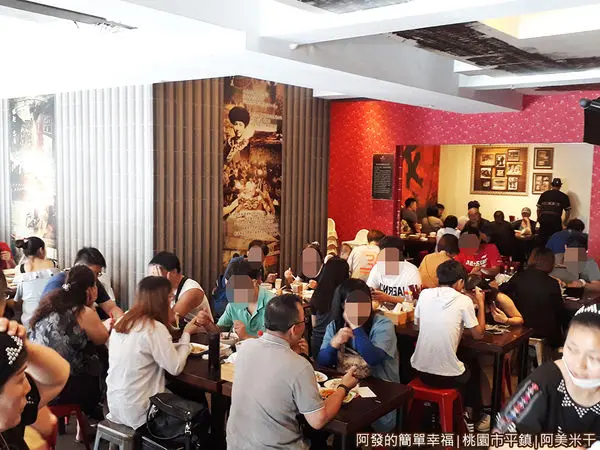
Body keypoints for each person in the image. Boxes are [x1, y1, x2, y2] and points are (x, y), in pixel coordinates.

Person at [226, 294, 359, 450]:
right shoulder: (299, 366)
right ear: (295, 329)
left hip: (236, 445)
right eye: (304, 321)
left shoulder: (246, 347)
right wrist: (343, 387)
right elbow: (318, 420)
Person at [107, 276, 204, 430]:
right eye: (170, 297)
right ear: (162, 300)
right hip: (141, 412)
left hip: (115, 406)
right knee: (197, 401)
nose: (171, 303)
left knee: (184, 391)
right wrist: (186, 333)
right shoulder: (154, 327)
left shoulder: (123, 322)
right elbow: (175, 367)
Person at [493, 303, 600, 437]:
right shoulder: (542, 382)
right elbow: (499, 438)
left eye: (595, 358)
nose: (579, 365)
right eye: (572, 349)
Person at [29, 265, 112, 422]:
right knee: (99, 354)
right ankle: (95, 409)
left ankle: (85, 420)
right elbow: (102, 338)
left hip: (37, 380)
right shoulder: (83, 311)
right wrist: (91, 307)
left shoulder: (50, 303)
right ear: (90, 290)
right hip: (61, 386)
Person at [411, 260, 486, 429]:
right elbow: (479, 334)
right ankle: (468, 416)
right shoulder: (464, 300)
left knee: (461, 357)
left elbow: (419, 324)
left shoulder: (424, 294)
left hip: (420, 371)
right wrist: (481, 303)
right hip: (447, 378)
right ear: (460, 282)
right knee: (473, 365)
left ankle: (433, 414)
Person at [317, 279, 399, 431]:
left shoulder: (383, 325)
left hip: (379, 394)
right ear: (342, 305)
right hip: (346, 393)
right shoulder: (335, 326)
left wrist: (355, 326)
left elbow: (373, 358)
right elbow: (322, 361)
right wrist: (334, 344)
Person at [0, 317, 70, 449]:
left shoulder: (10, 418)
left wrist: (24, 346)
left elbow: (58, 377)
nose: (27, 387)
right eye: (20, 379)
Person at [196, 257, 274, 341]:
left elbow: (278, 343)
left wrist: (246, 337)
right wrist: (207, 323)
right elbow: (219, 331)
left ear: (253, 283)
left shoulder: (273, 305)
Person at [499, 248, 564, 348]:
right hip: (543, 332)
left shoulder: (517, 277)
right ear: (550, 262)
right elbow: (559, 311)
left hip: (518, 328)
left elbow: (504, 296)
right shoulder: (552, 283)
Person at [43, 247, 123, 320]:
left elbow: (111, 308)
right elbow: (53, 319)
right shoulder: (57, 283)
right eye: (93, 273)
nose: (95, 278)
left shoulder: (93, 283)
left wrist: (121, 320)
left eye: (98, 274)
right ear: (77, 267)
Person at [148, 251, 212, 323]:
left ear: (173, 272)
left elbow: (170, 320)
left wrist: (161, 287)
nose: (153, 280)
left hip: (198, 330)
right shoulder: (168, 288)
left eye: (157, 274)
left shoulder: (191, 291)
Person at [13, 237, 59, 329]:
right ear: (41, 250)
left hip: (29, 322)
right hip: (53, 321)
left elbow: (18, 299)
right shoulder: (53, 265)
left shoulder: (20, 269)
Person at [309, 257, 349, 358]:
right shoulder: (345, 294)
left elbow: (314, 324)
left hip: (317, 342)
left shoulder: (318, 292)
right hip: (336, 343)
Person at [366, 236, 421, 305]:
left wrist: (389, 298)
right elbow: (369, 289)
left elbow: (415, 302)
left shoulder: (411, 272)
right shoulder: (377, 268)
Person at [537, 178, 571, 246]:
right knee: (555, 239)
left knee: (542, 240)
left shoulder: (544, 194)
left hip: (544, 219)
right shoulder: (564, 196)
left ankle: (541, 252)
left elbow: (538, 209)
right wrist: (564, 222)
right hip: (555, 220)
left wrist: (539, 218)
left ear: (552, 185)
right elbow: (568, 212)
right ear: (560, 186)